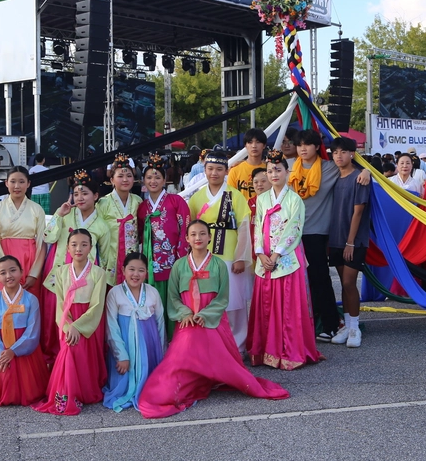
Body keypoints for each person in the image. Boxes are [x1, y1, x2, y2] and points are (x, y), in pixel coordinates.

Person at [137, 221, 290, 418]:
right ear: (187, 239)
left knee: (223, 363)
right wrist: (186, 314)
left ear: (210, 237)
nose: (198, 238)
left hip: (213, 321)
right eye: (193, 234)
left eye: (202, 234)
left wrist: (204, 315)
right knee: (178, 360)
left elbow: (222, 298)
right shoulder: (179, 265)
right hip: (187, 321)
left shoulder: (218, 264)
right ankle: (169, 388)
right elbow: (173, 297)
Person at [292, 129, 370, 341]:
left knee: (324, 280)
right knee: (295, 282)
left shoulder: (329, 169)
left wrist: (367, 171)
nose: (303, 149)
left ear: (317, 147)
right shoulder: (290, 168)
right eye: (299, 145)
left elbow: (353, 168)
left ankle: (336, 325)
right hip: (292, 234)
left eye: (307, 144)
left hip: (320, 233)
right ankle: (305, 326)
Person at [248, 149, 322, 369]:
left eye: (278, 170)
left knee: (288, 304)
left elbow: (294, 229)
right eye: (270, 170)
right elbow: (258, 228)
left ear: (287, 172)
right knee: (266, 304)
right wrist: (260, 253)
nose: (273, 174)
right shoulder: (262, 199)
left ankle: (289, 351)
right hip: (266, 257)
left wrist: (276, 253)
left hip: (286, 255)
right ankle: (265, 351)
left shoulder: (295, 200)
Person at [34, 230, 108, 416]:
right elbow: (59, 303)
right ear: (67, 248)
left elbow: (97, 305)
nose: (78, 248)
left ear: (91, 248)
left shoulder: (99, 273)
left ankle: (84, 392)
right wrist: (68, 326)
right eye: (74, 244)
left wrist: (78, 326)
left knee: (85, 358)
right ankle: (67, 393)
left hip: (87, 322)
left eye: (84, 244)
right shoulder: (60, 272)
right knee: (68, 354)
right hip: (67, 321)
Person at [188, 147, 253, 352]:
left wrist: (241, 257)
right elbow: (190, 227)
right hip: (204, 255)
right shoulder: (197, 197)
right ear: (204, 170)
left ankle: (238, 345)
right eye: (210, 169)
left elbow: (244, 227)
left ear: (226, 171)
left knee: (234, 301)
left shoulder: (235, 195)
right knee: (207, 300)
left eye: (218, 169)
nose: (214, 173)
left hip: (229, 252)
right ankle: (212, 345)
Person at [0, 256, 49, 407]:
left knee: (30, 389)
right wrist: (2, 354)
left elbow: (33, 331)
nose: (9, 276)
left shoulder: (32, 299)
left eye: (13, 270)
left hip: (25, 349)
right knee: (2, 382)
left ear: (21, 272)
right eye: (3, 273)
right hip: (1, 350)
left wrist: (14, 351)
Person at [0, 166, 49, 354]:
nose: (17, 186)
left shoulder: (36, 209)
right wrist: (3, 272)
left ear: (29, 184)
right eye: (13, 181)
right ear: (6, 183)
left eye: (22, 181)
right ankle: (2, 351)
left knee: (30, 307)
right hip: (6, 262)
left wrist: (34, 273)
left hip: (30, 262)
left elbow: (41, 242)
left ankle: (30, 352)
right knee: (3, 307)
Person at [103, 253, 166, 412]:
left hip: (150, 346)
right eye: (131, 269)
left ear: (146, 273)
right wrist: (121, 355)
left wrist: (163, 354)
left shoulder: (152, 292)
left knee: (156, 388)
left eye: (141, 270)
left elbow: (160, 323)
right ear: (123, 270)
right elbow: (111, 326)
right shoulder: (115, 293)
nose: (136, 274)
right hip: (125, 347)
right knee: (124, 386)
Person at [137, 154, 190, 338]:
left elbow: (185, 230)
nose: (153, 181)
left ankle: (175, 344)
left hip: (171, 263)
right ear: (143, 180)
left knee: (172, 303)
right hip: (150, 265)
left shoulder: (177, 202)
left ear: (165, 179)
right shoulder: (142, 207)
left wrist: (180, 259)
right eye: (149, 177)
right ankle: (155, 343)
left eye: (157, 177)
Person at [327, 137, 372, 349]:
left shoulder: (360, 178)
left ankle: (355, 327)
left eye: (343, 151)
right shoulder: (333, 177)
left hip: (354, 240)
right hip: (335, 238)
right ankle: (347, 324)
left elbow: (358, 211)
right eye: (335, 152)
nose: (339, 155)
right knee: (343, 286)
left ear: (352, 154)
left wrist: (351, 242)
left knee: (348, 283)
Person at [98, 153, 142, 286]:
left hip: (132, 256)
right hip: (109, 257)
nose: (125, 180)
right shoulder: (103, 203)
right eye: (120, 176)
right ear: (111, 180)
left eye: (129, 176)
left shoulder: (138, 201)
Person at [227, 128, 267, 201]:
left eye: (258, 142)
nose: (254, 146)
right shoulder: (235, 170)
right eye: (250, 142)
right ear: (245, 145)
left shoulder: (269, 170)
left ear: (264, 145)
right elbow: (229, 198)